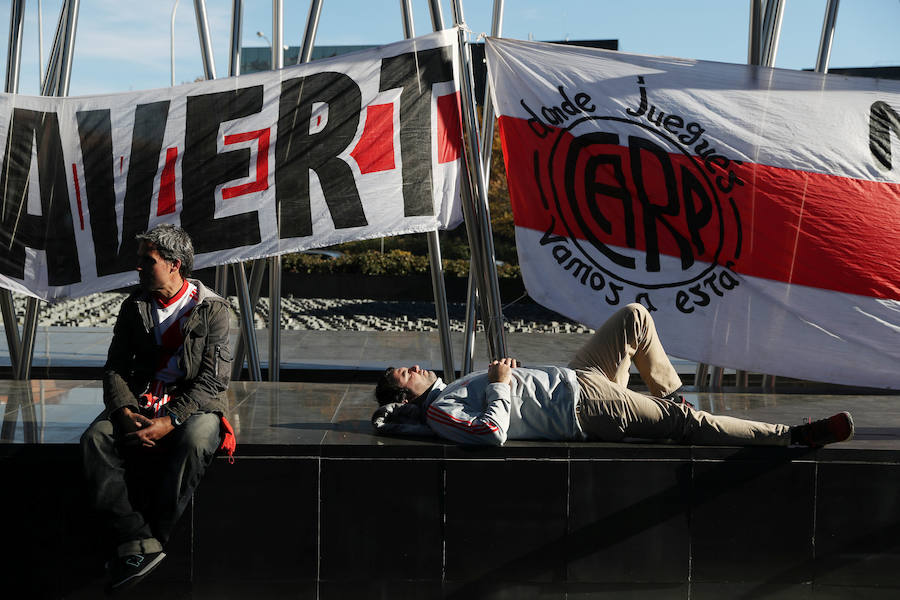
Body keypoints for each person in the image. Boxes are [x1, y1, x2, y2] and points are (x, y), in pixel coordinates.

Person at [373, 303, 854, 448]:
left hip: (579, 377)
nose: (415, 368)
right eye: (405, 374)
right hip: (585, 408)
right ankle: (791, 436)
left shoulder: (446, 389)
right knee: (691, 427)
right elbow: (490, 434)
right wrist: (500, 380)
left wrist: (505, 376)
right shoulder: (439, 411)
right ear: (407, 396)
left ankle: (673, 398)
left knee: (634, 316)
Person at [80, 224, 234, 592]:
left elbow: (213, 381)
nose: (138, 268)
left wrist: (172, 420)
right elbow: (115, 366)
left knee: (197, 440)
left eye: (146, 261)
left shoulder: (213, 309)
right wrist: (122, 410)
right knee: (95, 439)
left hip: (194, 403)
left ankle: (154, 540)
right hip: (141, 400)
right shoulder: (134, 306)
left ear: (174, 264)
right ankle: (135, 537)